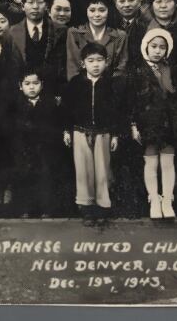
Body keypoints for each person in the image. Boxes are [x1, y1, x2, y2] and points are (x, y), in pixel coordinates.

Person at [130, 28, 177, 220]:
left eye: (162, 47)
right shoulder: (138, 71)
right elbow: (132, 101)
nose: (158, 51)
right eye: (154, 46)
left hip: (169, 122)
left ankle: (167, 199)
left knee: (167, 161)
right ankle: (154, 199)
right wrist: (133, 125)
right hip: (148, 122)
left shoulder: (170, 69)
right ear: (146, 47)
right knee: (150, 162)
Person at [62, 42, 123, 226]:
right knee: (83, 171)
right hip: (80, 132)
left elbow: (117, 111)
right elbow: (67, 109)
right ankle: (87, 209)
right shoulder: (75, 83)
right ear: (83, 63)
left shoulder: (111, 84)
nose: (95, 64)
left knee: (103, 171)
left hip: (104, 133)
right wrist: (66, 130)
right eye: (91, 60)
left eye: (99, 60)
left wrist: (115, 134)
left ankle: (103, 207)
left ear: (106, 62)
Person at [8, 68, 63, 217]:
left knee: (45, 177)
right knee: (23, 176)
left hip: (44, 149)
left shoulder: (50, 104)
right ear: (20, 86)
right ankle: (24, 209)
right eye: (27, 84)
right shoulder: (15, 105)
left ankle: (46, 209)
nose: (31, 87)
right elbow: (12, 129)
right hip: (23, 150)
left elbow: (54, 128)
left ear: (42, 85)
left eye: (35, 83)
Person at [7, 0, 68, 96]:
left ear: (46, 6)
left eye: (39, 2)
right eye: (30, 2)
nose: (35, 6)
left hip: (52, 93)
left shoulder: (60, 31)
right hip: (21, 95)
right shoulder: (12, 33)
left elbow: (62, 68)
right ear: (22, 6)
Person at [66, 0, 128, 81]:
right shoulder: (74, 33)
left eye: (102, 10)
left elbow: (121, 69)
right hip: (81, 87)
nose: (97, 14)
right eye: (92, 10)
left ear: (108, 11)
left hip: (110, 87)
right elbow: (73, 68)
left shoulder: (120, 36)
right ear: (86, 11)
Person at [114, 0, 148, 73]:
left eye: (131, 0)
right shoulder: (111, 26)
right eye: (122, 1)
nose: (127, 5)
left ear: (139, 2)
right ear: (116, 4)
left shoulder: (147, 26)